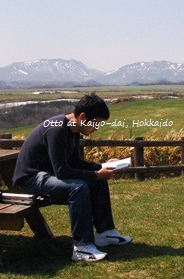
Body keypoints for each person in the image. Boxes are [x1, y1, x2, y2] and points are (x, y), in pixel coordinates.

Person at [12, 93, 132, 262]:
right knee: (78, 187)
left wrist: (102, 166)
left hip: (47, 175)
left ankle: (105, 233)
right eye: (96, 123)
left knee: (97, 182)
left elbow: (74, 162)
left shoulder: (73, 129)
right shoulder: (57, 129)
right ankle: (82, 247)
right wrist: (96, 174)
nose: (96, 128)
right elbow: (62, 171)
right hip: (29, 178)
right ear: (83, 117)